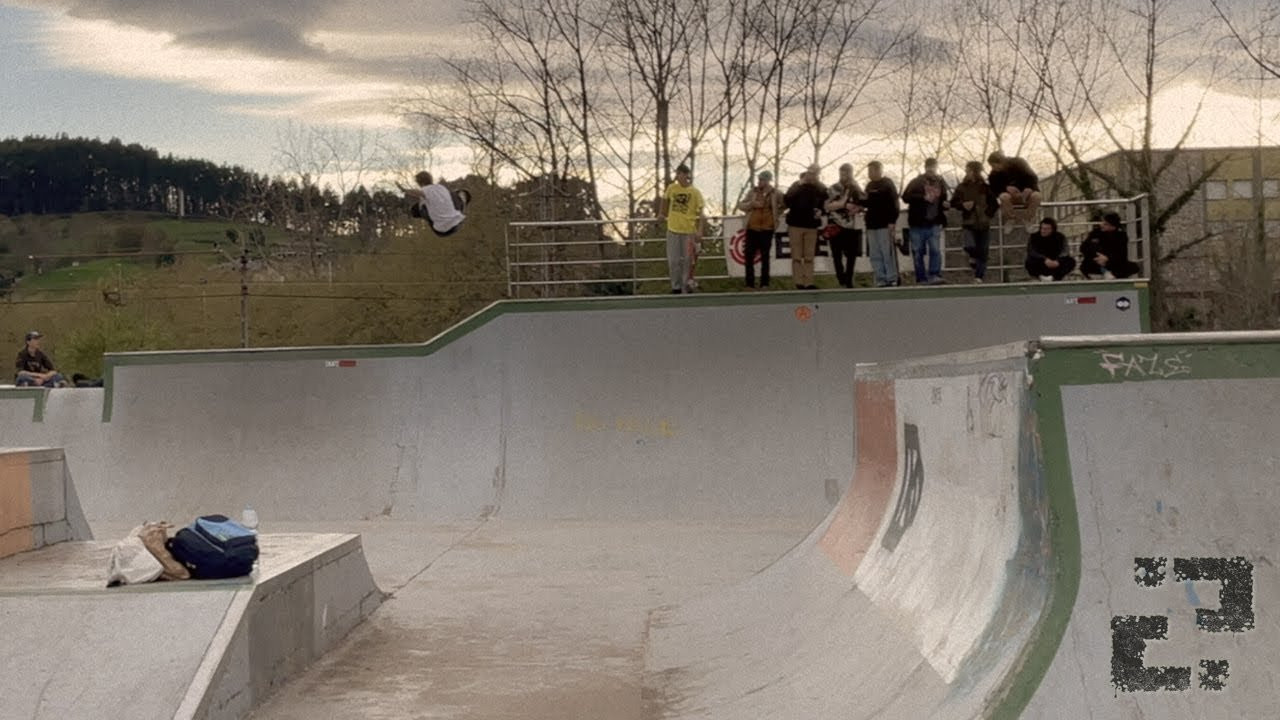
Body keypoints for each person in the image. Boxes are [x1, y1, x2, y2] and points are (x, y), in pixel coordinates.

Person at [901, 158, 950, 285]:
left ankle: (934, 274)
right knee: (918, 252)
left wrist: (945, 204)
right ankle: (921, 278)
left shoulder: (940, 182)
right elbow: (905, 197)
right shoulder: (916, 182)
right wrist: (922, 197)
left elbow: (944, 198)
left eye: (933, 167)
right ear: (925, 168)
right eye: (929, 167)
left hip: (934, 222)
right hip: (917, 223)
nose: (931, 170)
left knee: (935, 250)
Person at [660, 164, 705, 294]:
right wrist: (662, 213)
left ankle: (686, 286)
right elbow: (664, 200)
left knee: (687, 260)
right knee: (673, 260)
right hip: (673, 229)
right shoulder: (672, 188)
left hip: (688, 230)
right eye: (678, 174)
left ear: (686, 175)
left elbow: (701, 213)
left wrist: (700, 229)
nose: (679, 177)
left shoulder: (695, 192)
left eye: (682, 174)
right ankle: (676, 287)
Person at [736, 169, 784, 290]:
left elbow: (784, 204)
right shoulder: (752, 192)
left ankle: (764, 283)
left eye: (762, 180)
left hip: (767, 228)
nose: (759, 182)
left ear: (768, 181)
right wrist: (752, 204)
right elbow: (741, 205)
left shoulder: (776, 193)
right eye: (759, 179)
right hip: (752, 228)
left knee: (765, 256)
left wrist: (776, 214)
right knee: (749, 256)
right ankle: (749, 283)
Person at [950, 160, 997, 282]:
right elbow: (953, 202)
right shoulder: (961, 187)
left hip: (983, 223)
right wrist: (963, 205)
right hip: (968, 222)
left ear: (974, 172)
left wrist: (987, 214)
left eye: (968, 170)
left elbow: (994, 204)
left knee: (983, 251)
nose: (966, 172)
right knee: (969, 245)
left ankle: (979, 276)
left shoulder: (985, 188)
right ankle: (973, 258)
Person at [784, 164, 828, 290]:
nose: (812, 175)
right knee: (796, 256)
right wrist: (800, 184)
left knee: (809, 256)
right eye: (810, 172)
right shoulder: (796, 185)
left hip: (811, 225)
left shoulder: (820, 188)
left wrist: (822, 212)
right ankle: (798, 282)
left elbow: (826, 203)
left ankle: (809, 282)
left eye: (815, 173)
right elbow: (787, 200)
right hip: (795, 224)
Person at [824, 163, 865, 288]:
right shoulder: (833, 188)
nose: (845, 175)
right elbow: (827, 206)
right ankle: (841, 279)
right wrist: (844, 204)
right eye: (842, 173)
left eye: (848, 173)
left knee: (851, 255)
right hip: (835, 225)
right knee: (837, 255)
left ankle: (849, 279)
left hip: (851, 226)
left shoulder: (856, 188)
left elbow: (864, 203)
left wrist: (857, 208)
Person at [863, 161, 901, 288]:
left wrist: (892, 221)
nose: (869, 174)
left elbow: (895, 203)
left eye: (871, 171)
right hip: (871, 224)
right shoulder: (869, 186)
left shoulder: (887, 184)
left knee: (887, 252)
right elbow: (865, 202)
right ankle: (880, 278)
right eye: (868, 171)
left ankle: (892, 277)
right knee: (875, 253)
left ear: (878, 170)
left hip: (884, 224)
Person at [400, 171, 469, 236]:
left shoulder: (425, 190)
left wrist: (405, 190)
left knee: (418, 207)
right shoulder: (441, 187)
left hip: (442, 230)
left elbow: (418, 193)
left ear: (419, 183)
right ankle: (461, 201)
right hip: (458, 222)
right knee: (452, 196)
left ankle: (435, 218)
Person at [1080, 211, 1142, 279]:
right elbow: (1083, 247)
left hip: (1112, 263)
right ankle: (1105, 273)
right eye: (1102, 222)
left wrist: (1107, 259)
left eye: (1105, 224)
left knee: (1132, 267)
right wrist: (1097, 256)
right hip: (1095, 261)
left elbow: (1121, 254)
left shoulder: (1121, 236)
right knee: (1087, 263)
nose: (1101, 225)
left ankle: (1112, 276)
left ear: (1113, 226)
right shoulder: (1096, 232)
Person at [987, 151, 1041, 228]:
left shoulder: (1020, 163)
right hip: (1011, 198)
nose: (993, 168)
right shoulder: (994, 174)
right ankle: (1011, 219)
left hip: (1025, 195)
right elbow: (994, 189)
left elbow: (1033, 178)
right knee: (1003, 197)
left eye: (993, 165)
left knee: (1037, 196)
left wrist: (1029, 188)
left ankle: (1028, 219)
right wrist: (1005, 188)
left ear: (1001, 162)